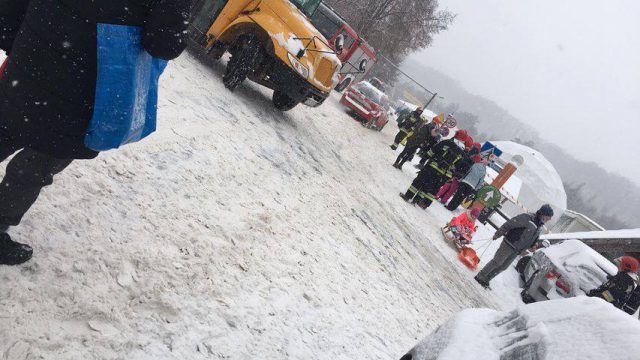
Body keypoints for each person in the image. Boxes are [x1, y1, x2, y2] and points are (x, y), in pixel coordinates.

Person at [0, 0, 190, 265]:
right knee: (39, 161)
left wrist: (14, 38)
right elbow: (163, 42)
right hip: (82, 84)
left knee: (6, 126)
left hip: (33, 50)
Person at [474, 204, 554, 288]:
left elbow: (534, 239)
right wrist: (498, 234)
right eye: (549, 216)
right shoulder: (528, 218)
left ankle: (486, 279)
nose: (549, 219)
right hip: (509, 244)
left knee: (503, 267)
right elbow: (510, 223)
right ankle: (480, 276)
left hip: (517, 250)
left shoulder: (540, 226)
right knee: (497, 262)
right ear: (543, 214)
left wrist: (534, 245)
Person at [400, 131, 468, 209]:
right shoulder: (462, 154)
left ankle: (408, 196)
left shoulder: (447, 142)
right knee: (428, 187)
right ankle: (416, 201)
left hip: (432, 167)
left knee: (419, 182)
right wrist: (448, 177)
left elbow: (433, 150)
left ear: (456, 135)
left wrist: (424, 159)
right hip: (443, 175)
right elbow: (458, 168)